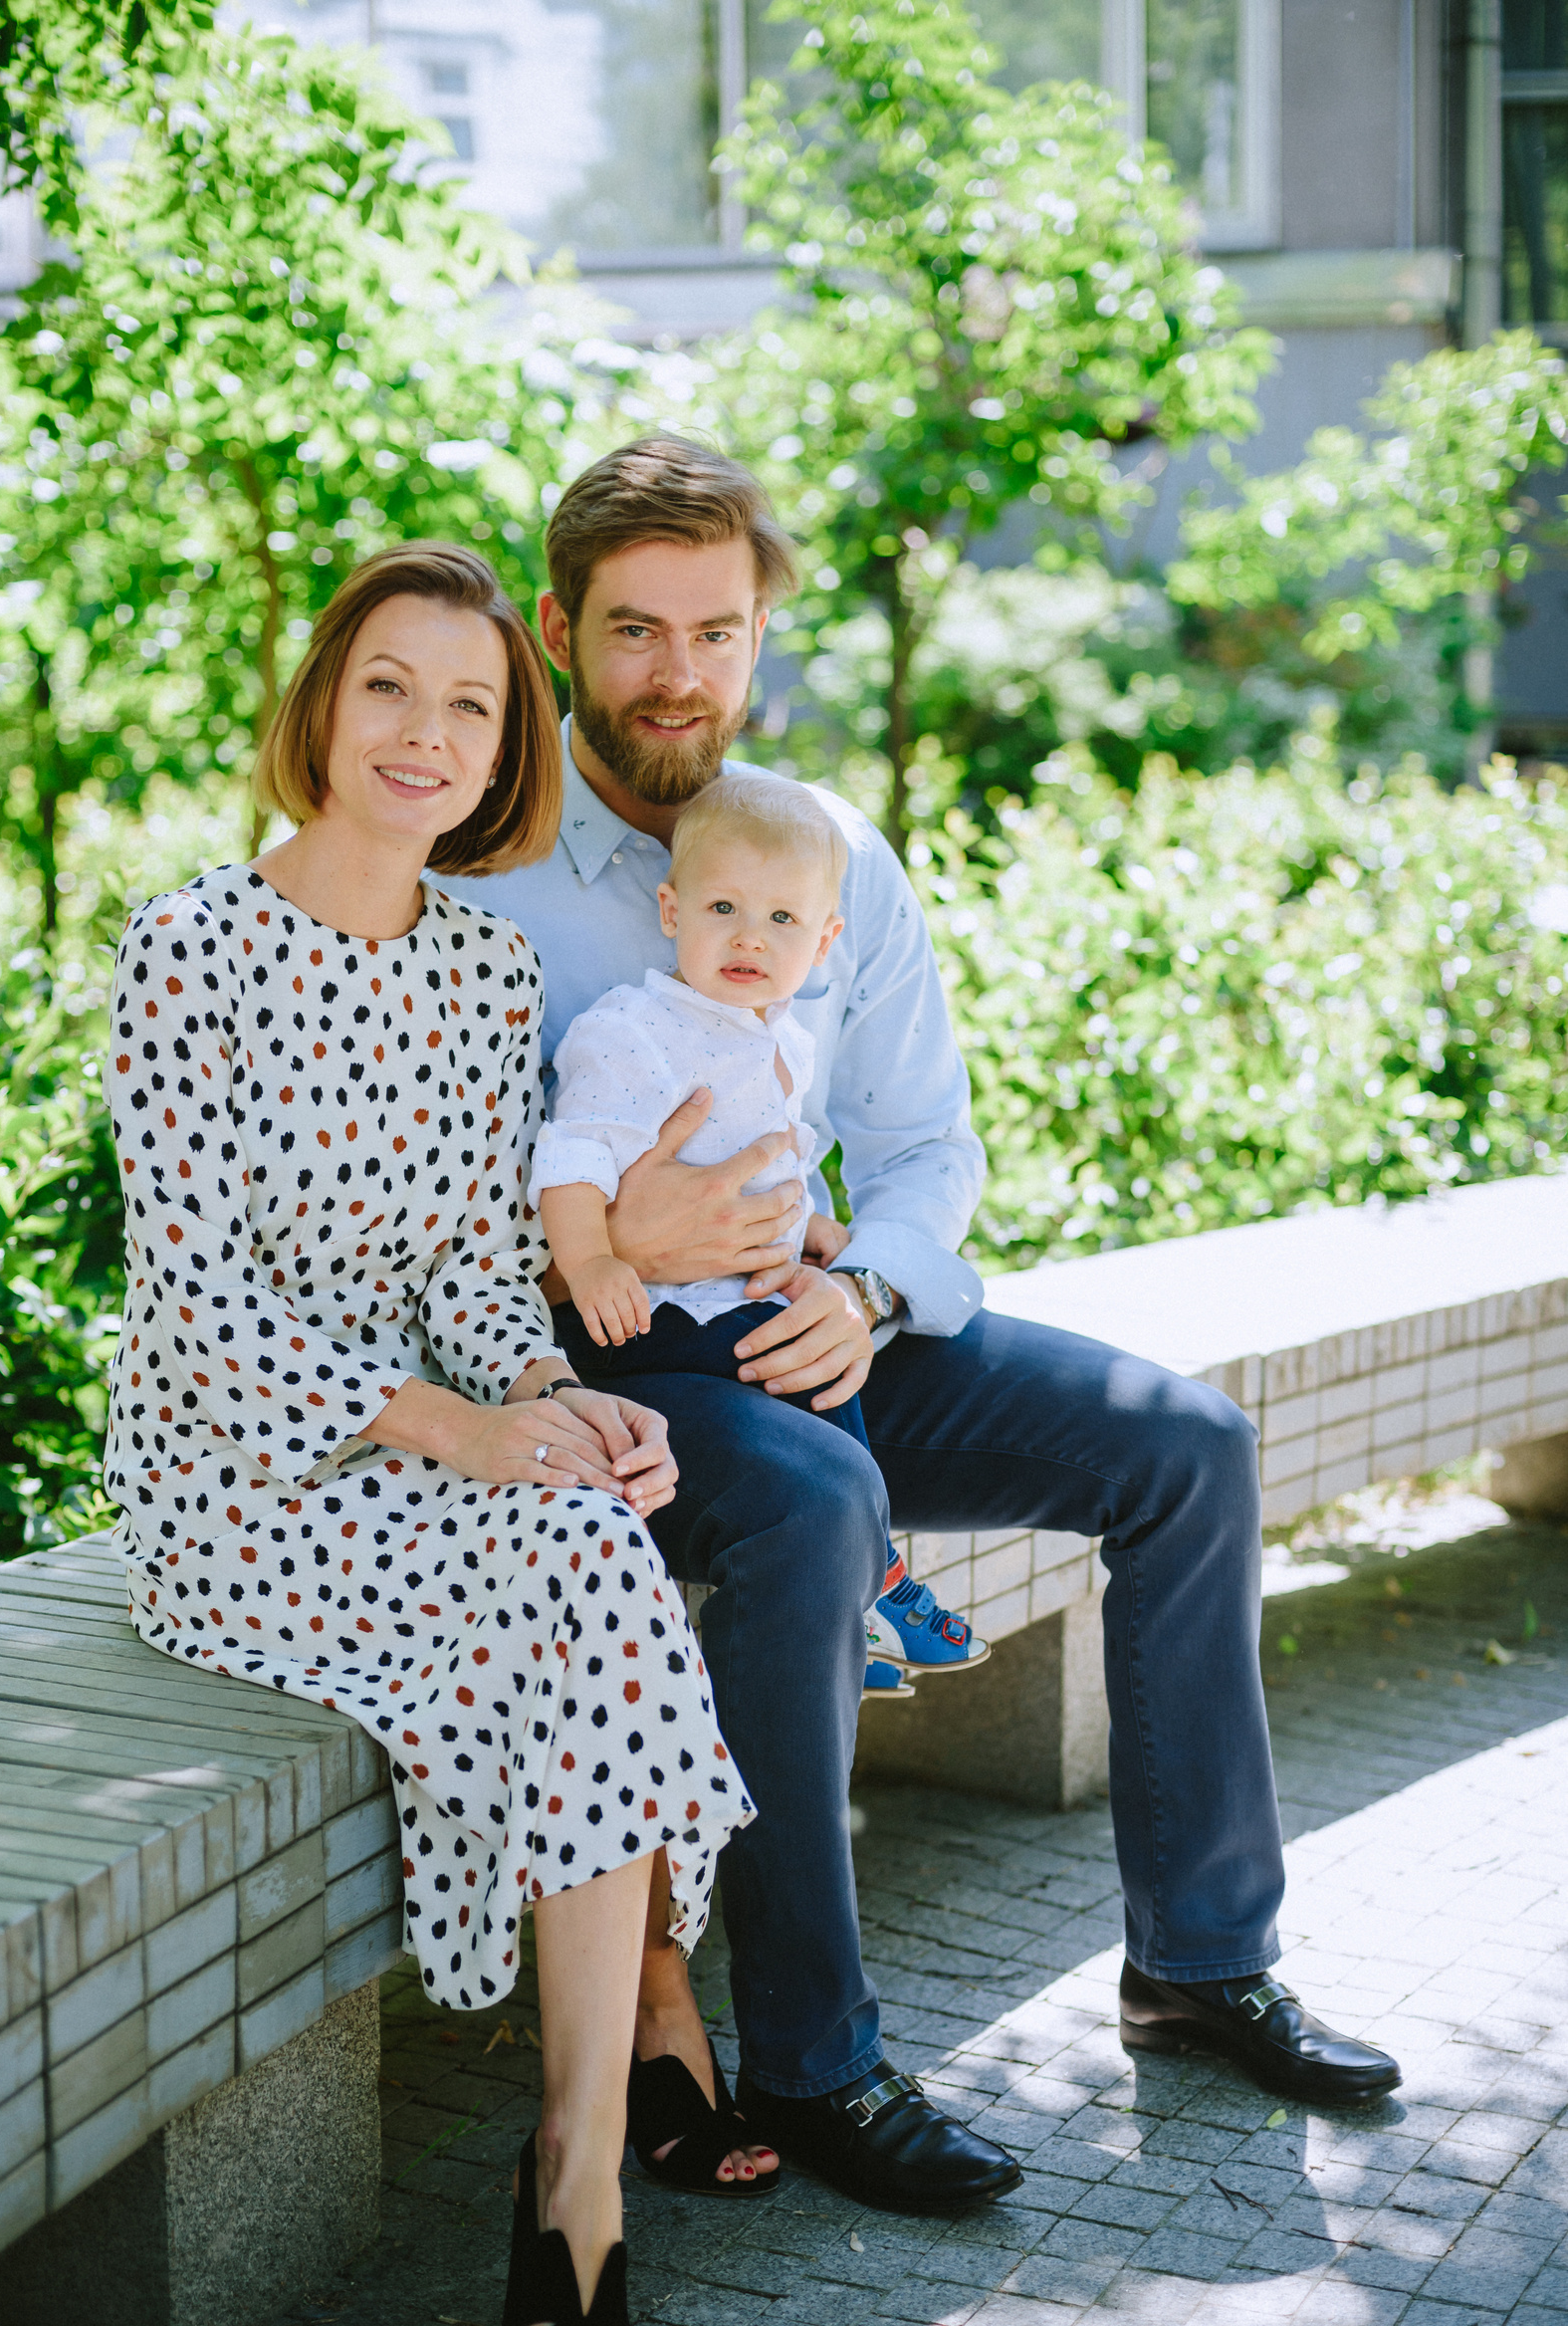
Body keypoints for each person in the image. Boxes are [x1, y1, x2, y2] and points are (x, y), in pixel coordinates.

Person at [458, 437, 1405, 2214]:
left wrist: (867, 1291)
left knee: (1184, 1449)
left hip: (813, 1333)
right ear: (559, 633)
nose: (679, 675)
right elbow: (406, 1227)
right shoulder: (479, 870)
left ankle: (1201, 1963)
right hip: (607, 1378)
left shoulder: (827, 854)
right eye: (637, 631)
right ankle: (813, 2062)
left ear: (760, 638)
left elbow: (921, 1151)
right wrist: (600, 1237)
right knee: (809, 1503)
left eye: (717, 632)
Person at [105, 539, 758, 2326]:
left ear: (501, 751)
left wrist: (558, 1395)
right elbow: (198, 1308)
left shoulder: (484, 971)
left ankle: (573, 2168)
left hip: (417, 1448)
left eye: (471, 704)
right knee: (580, 1575)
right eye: (389, 684)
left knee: (593, 1538)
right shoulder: (187, 947)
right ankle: (605, 2131)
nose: (426, 731)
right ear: (324, 703)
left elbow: (477, 1275)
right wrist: (466, 1433)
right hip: (235, 1477)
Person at [530, 762, 986, 1687]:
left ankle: (850, 1602)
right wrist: (590, 1261)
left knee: (814, 1343)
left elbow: (769, 1160)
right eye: (723, 909)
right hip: (646, 1314)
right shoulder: (634, 1031)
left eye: (781, 919)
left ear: (823, 941)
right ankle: (867, 1589)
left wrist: (807, 1229)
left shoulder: (778, 1038)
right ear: (672, 912)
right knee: (799, 1382)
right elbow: (571, 1157)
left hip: (727, 1289)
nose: (749, 937)